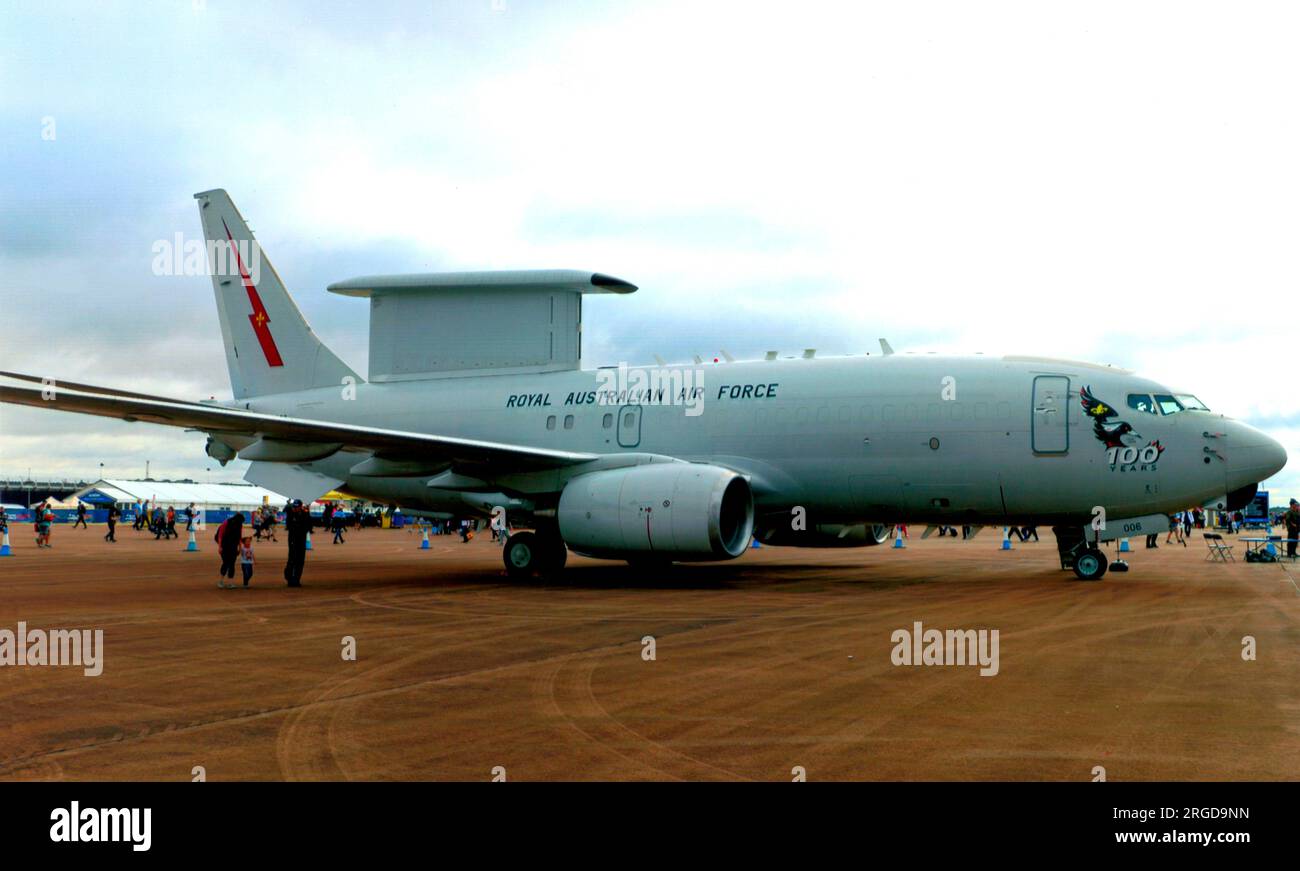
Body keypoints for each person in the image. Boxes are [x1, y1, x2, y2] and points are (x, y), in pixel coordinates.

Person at [284, 500, 312, 587]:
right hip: (292, 539)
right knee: (292, 559)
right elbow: (288, 526)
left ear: (300, 506)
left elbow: (308, 526)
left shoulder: (305, 514)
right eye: (294, 507)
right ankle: (289, 577)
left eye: (297, 507)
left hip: (301, 540)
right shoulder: (290, 514)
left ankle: (296, 579)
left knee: (300, 560)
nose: (295, 508)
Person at [216, 511, 244, 587]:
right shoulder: (226, 522)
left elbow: (239, 537)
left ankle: (230, 583)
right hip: (225, 545)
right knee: (226, 563)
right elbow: (220, 535)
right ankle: (221, 581)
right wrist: (220, 547)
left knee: (231, 564)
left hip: (233, 546)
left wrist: (240, 548)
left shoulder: (239, 524)